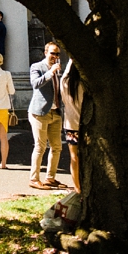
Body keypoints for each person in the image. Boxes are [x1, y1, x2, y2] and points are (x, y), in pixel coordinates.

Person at [28, 41, 66, 189]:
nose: (55, 56)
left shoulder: (59, 70)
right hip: (40, 112)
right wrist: (50, 73)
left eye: (57, 54)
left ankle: (50, 177)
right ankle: (34, 178)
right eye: (52, 53)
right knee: (40, 147)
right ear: (46, 53)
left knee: (57, 147)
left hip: (55, 112)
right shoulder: (37, 67)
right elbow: (35, 84)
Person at [60, 58, 84, 192]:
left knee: (74, 157)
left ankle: (77, 187)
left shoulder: (64, 82)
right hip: (85, 125)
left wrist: (71, 58)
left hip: (70, 124)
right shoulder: (84, 85)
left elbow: (66, 72)